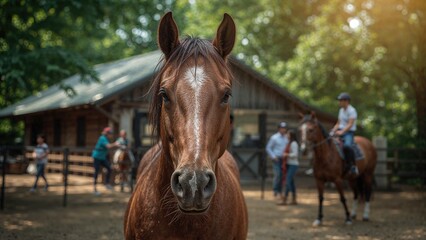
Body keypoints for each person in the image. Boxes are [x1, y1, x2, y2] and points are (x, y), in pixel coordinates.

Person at [330, 92, 359, 175]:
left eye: (340, 100)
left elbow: (350, 124)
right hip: (339, 131)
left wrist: (342, 132)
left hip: (348, 132)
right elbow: (338, 123)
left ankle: (352, 165)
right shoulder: (341, 110)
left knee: (347, 146)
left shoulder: (352, 110)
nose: (339, 102)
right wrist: (333, 131)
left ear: (346, 101)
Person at [92, 127, 118, 195]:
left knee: (109, 168)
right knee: (96, 172)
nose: (111, 135)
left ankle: (107, 184)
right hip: (97, 157)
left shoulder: (106, 139)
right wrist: (115, 144)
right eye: (110, 133)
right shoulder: (102, 138)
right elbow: (108, 146)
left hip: (102, 158)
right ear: (107, 133)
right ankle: (94, 189)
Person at [266, 122, 289, 199]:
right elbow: (268, 148)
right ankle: (276, 190)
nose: (283, 130)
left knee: (283, 175)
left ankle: (280, 191)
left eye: (284, 128)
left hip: (284, 159)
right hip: (277, 159)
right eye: (282, 128)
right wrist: (273, 156)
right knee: (278, 174)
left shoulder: (287, 138)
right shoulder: (274, 137)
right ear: (279, 129)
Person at [278, 130, 299, 205]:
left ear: (291, 135)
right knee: (291, 182)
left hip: (293, 164)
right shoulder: (289, 143)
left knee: (288, 181)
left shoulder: (294, 143)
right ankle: (294, 199)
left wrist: (287, 155)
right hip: (289, 164)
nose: (287, 135)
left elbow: (295, 154)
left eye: (288, 134)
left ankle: (285, 198)